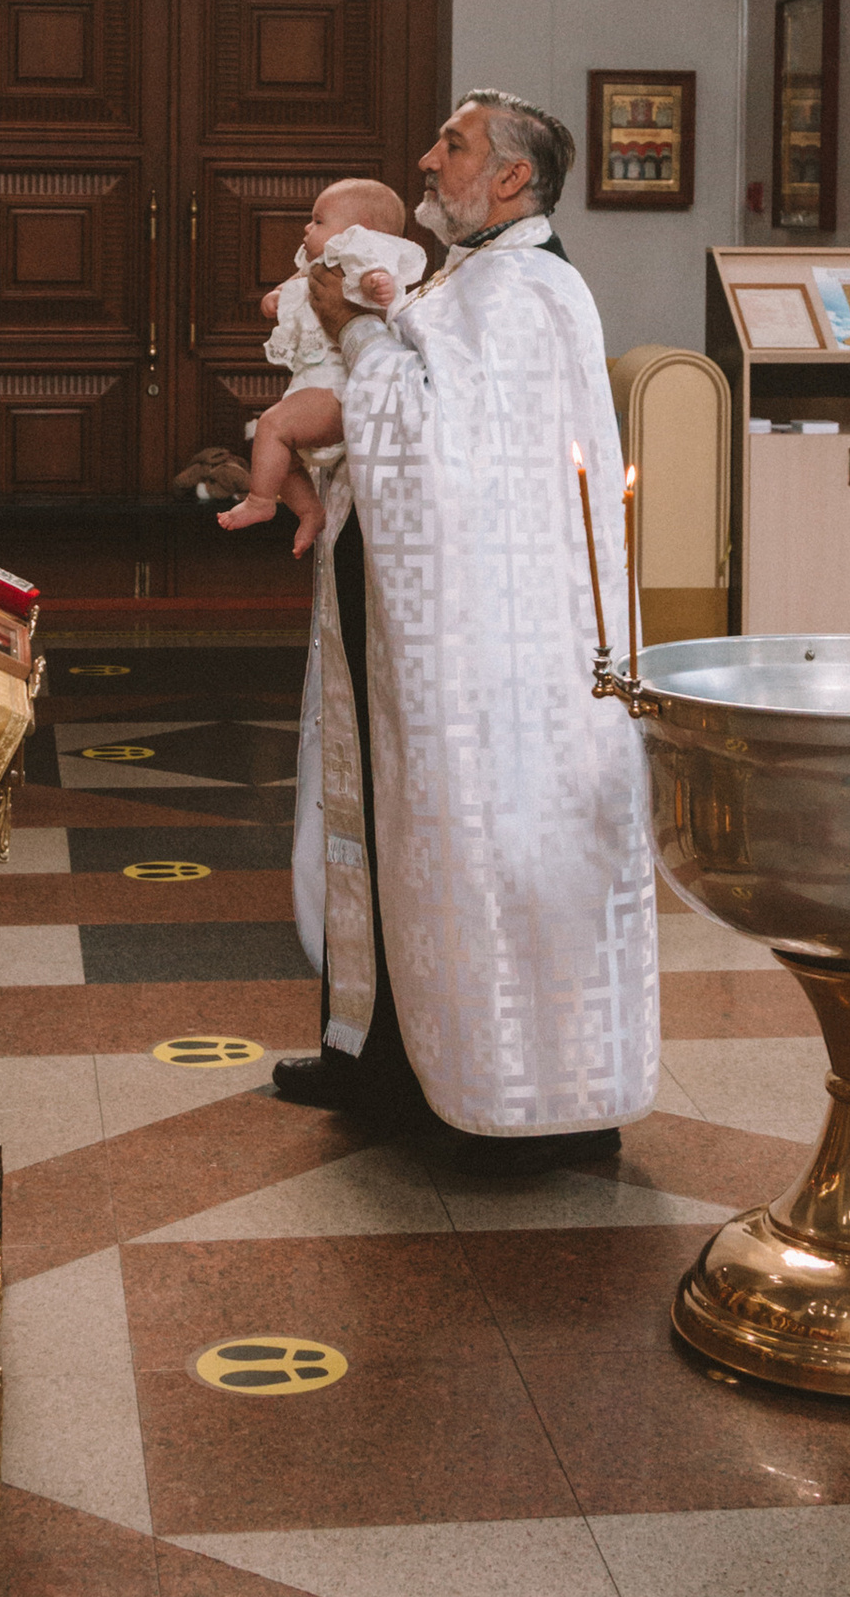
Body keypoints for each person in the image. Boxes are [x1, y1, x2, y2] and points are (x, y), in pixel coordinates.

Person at [265, 89, 659, 1169]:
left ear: (511, 179)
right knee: (401, 836)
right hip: (435, 622)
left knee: (487, 847)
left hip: (500, 652)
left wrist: (353, 333)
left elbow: (432, 448)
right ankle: (384, 1058)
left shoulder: (527, 292)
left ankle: (511, 1097)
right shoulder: (479, 278)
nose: (427, 159)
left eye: (455, 144)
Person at [218, 178, 423, 543]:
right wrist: (277, 296)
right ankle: (310, 511)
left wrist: (378, 284)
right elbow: (296, 283)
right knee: (285, 457)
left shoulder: (360, 260)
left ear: (359, 231)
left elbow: (377, 278)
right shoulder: (318, 264)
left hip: (337, 388)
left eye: (318, 220)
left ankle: (260, 500)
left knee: (270, 428)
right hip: (313, 383)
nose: (307, 227)